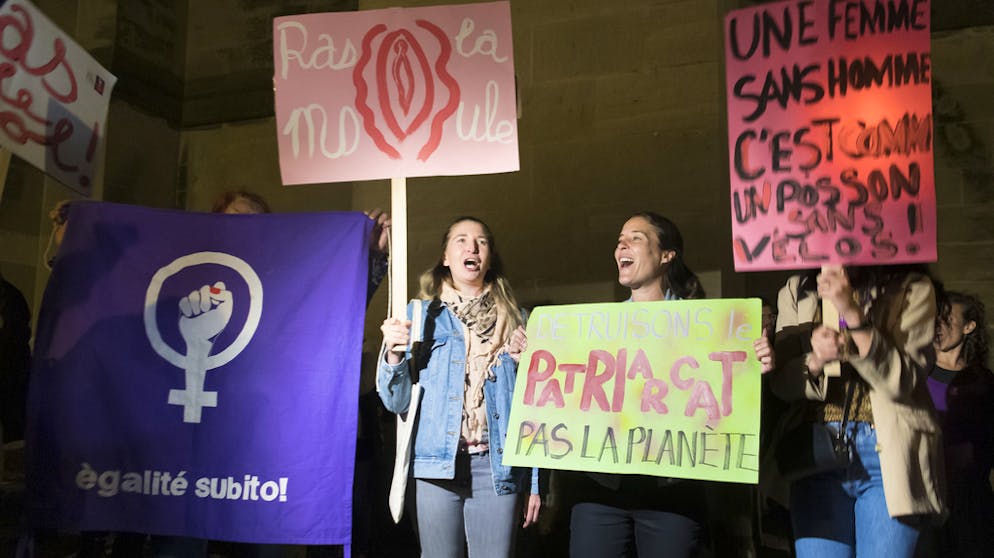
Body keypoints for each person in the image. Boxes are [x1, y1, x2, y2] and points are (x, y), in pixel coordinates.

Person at [378, 216, 541, 558]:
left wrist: (535, 482)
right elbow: (396, 402)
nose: (472, 247)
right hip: (436, 465)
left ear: (490, 258)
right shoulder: (420, 316)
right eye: (461, 240)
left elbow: (534, 409)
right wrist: (393, 354)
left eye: (481, 241)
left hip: (497, 467)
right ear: (445, 257)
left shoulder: (519, 322)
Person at [568, 212, 723, 558]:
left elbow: (723, 400)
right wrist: (532, 352)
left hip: (672, 491)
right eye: (620, 240)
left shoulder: (705, 327)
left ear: (667, 255)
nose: (621, 245)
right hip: (602, 490)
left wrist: (754, 361)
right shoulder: (596, 329)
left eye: (636, 238)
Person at [770, 265, 946, 558]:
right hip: (816, 452)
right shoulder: (797, 289)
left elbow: (900, 382)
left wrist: (851, 312)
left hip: (886, 454)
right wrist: (815, 361)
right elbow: (781, 385)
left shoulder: (912, 287)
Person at [918, 291, 994, 557]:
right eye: (934, 318)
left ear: (968, 327)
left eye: (947, 319)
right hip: (925, 490)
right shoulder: (915, 373)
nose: (938, 325)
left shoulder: (983, 381)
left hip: (970, 499)